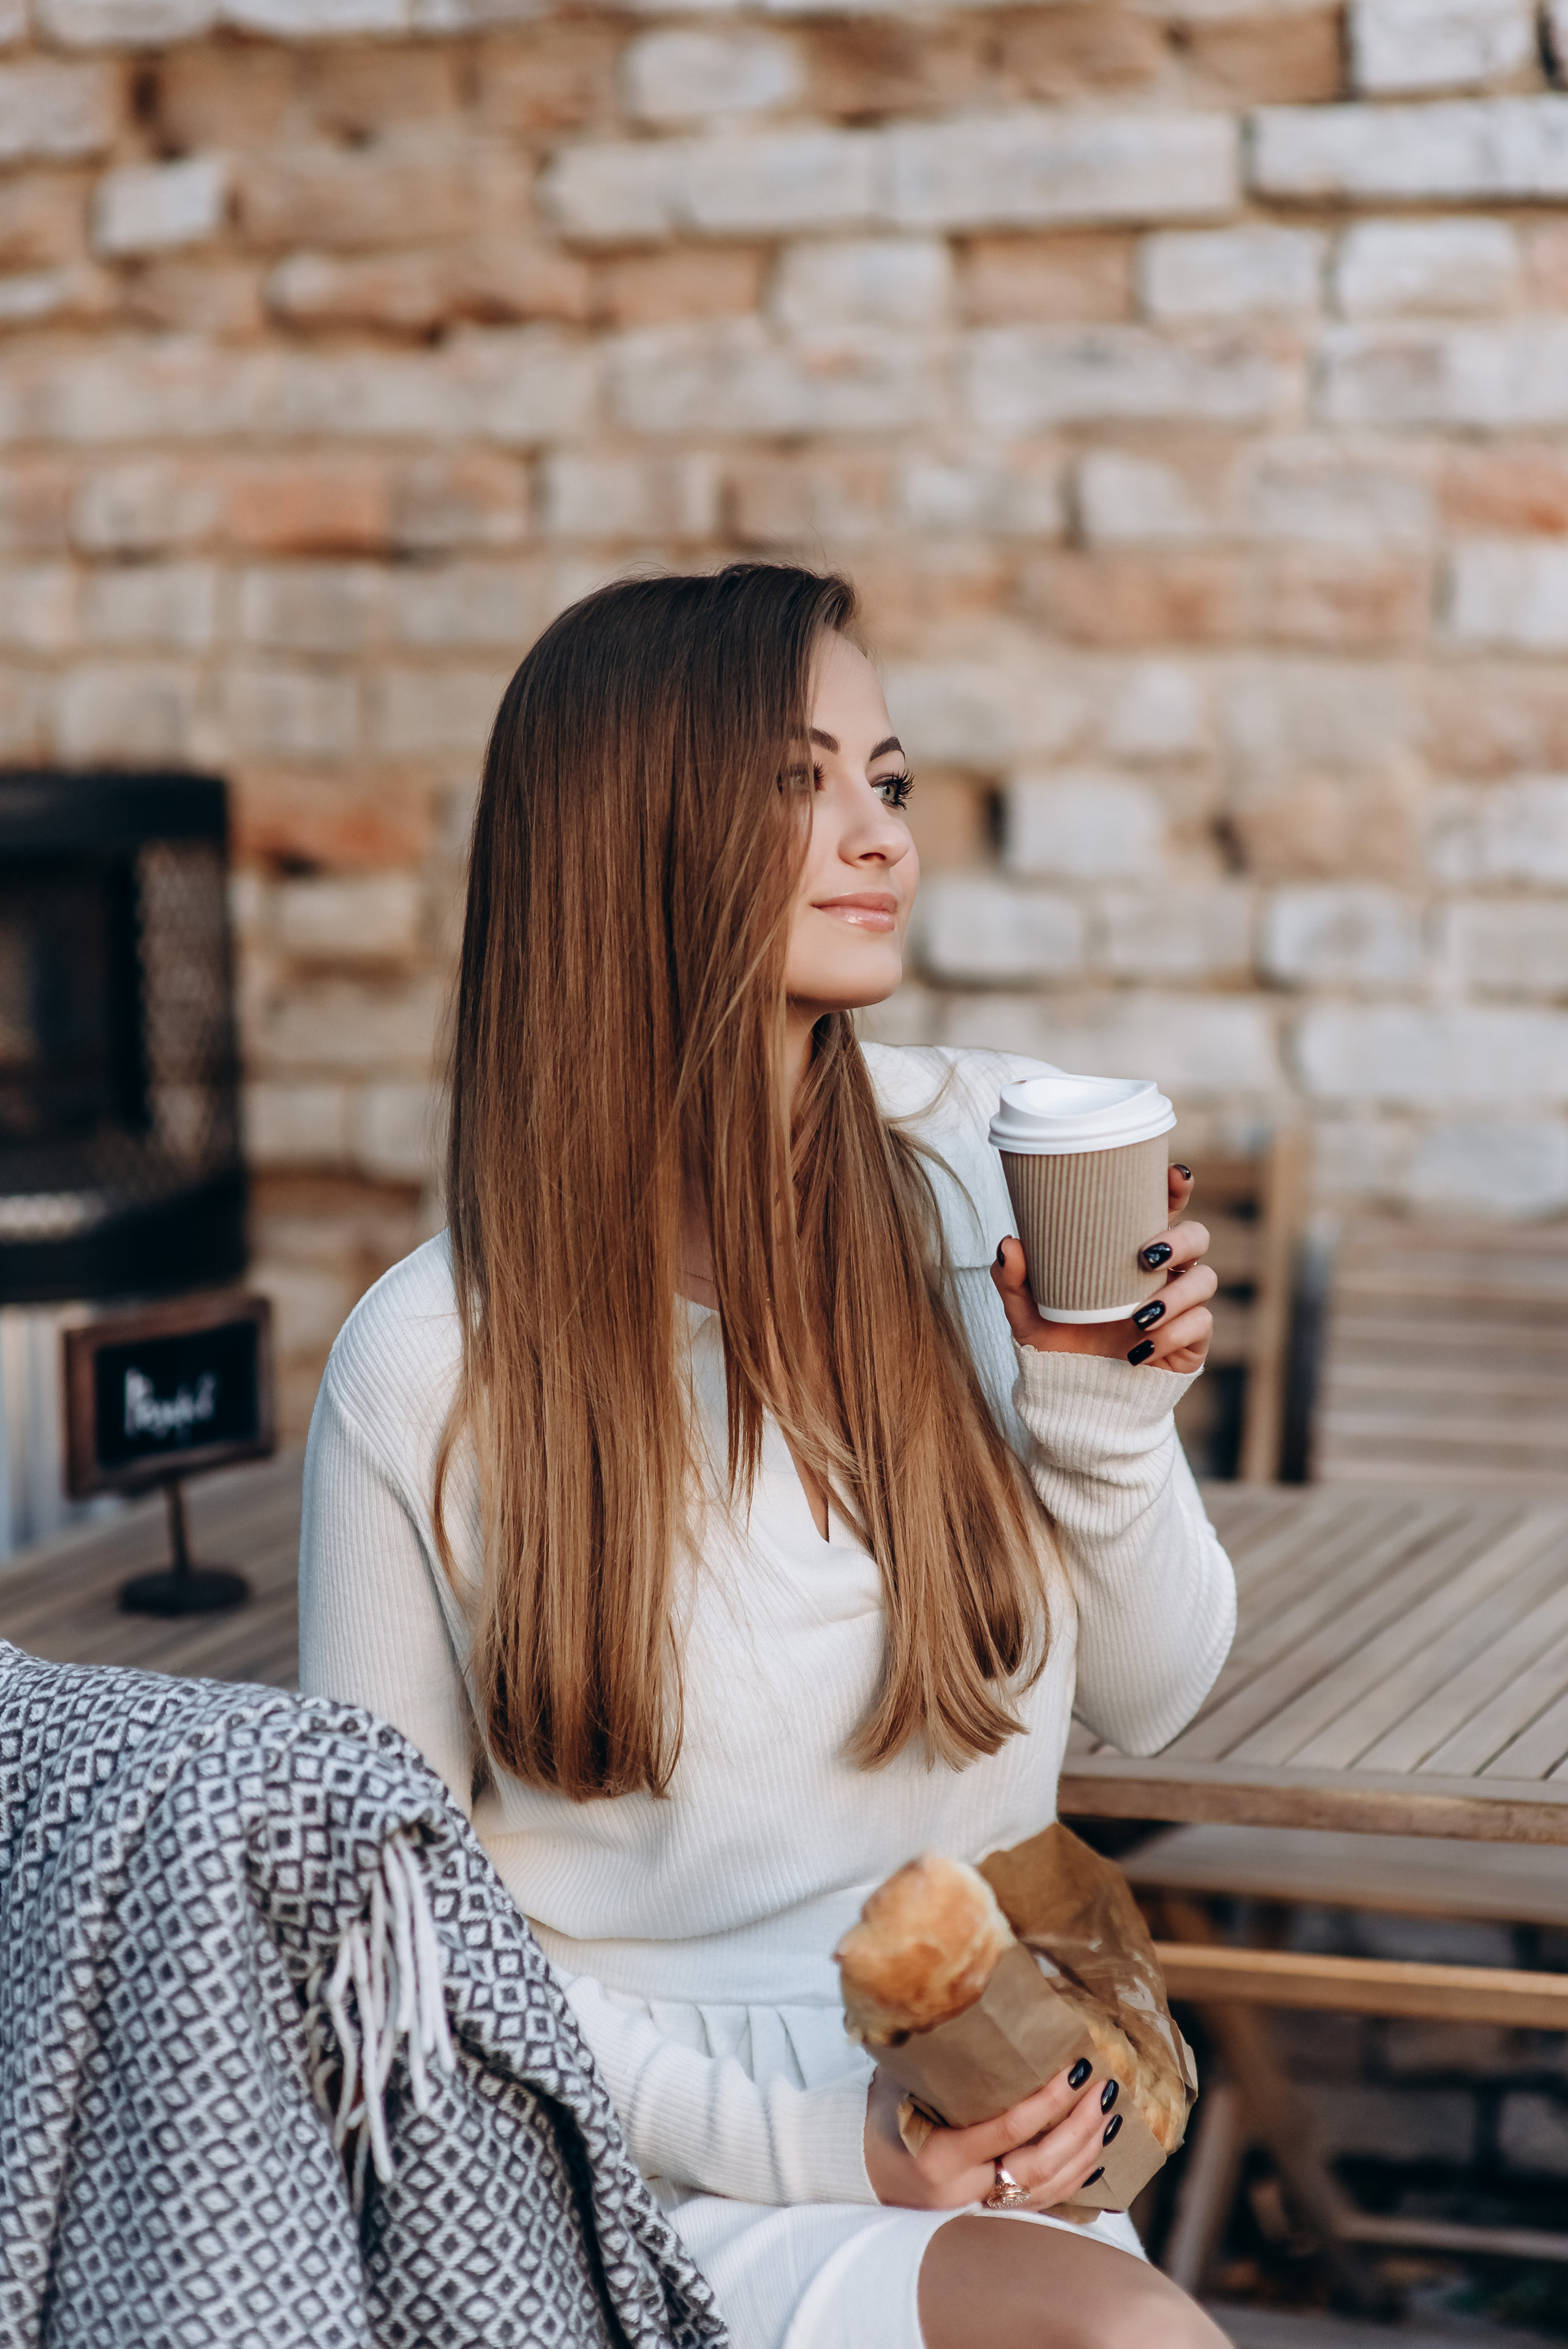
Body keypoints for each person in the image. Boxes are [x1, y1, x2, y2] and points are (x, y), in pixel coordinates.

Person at [300, 563, 1237, 2349]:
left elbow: (1164, 1691)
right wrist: (825, 2145)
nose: (875, 833)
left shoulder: (989, 1181)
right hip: (622, 2163)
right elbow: (399, 1952)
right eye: (794, 783)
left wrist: (1102, 1408)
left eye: (884, 779)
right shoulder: (432, 1357)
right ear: (625, 843)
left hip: (984, 2097)